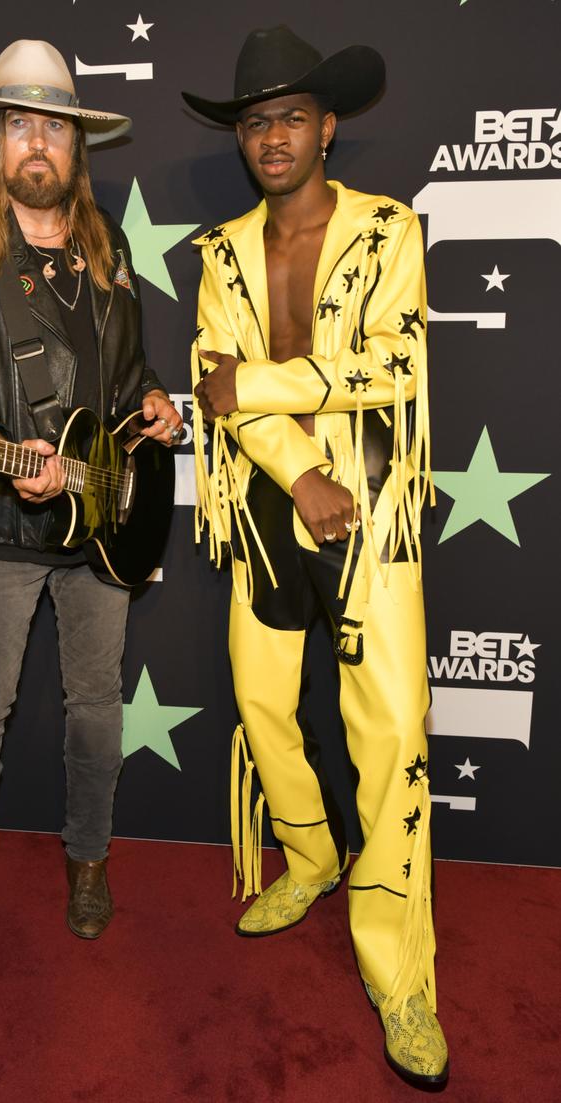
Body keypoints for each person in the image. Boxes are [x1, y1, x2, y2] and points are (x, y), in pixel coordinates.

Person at [184, 25, 447, 1087]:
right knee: (264, 707)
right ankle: (312, 855)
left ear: (328, 126)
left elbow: (396, 362)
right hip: (269, 504)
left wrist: (262, 384)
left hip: (374, 507)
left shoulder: (391, 231)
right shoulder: (217, 252)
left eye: (290, 116)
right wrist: (296, 472)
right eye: (255, 122)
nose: (272, 136)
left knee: (388, 736)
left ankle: (402, 976)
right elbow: (213, 388)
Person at [0, 39, 181, 943]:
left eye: (53, 126)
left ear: (76, 144)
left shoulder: (110, 244)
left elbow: (129, 368)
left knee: (98, 707)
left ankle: (89, 856)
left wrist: (154, 406)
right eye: (19, 123)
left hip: (106, 519)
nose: (37, 143)